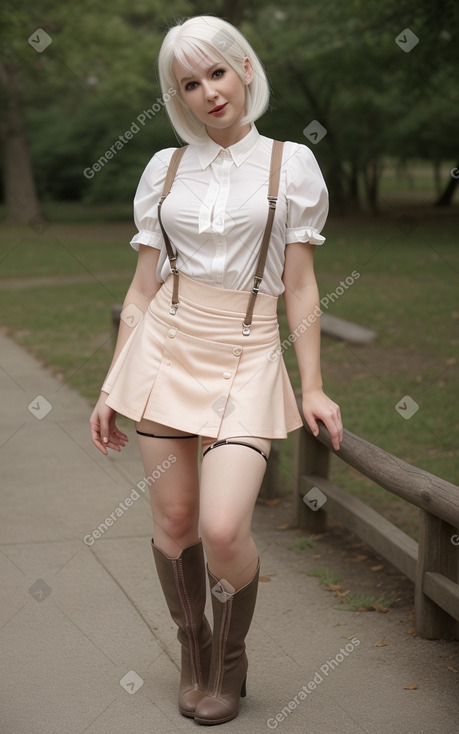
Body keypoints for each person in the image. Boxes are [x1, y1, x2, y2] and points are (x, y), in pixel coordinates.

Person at [90, 14, 343, 726]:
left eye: (216, 73)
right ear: (178, 95)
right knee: (174, 518)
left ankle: (230, 659)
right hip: (164, 350)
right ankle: (194, 649)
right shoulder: (163, 169)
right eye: (189, 83)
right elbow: (141, 290)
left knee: (224, 527)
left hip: (246, 351)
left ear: (245, 70)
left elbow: (299, 286)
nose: (207, 93)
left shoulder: (289, 164)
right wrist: (113, 383)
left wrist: (314, 384)